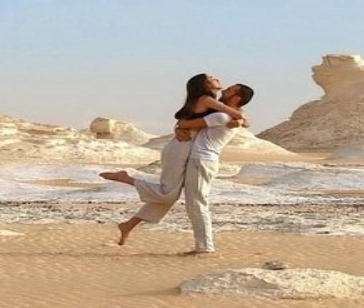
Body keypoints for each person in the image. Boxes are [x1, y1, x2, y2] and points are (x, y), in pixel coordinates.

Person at [101, 82, 254, 253]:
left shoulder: (222, 116)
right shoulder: (224, 114)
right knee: (170, 195)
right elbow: (185, 124)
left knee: (196, 203)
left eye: (230, 90)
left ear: (237, 98)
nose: (224, 90)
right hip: (195, 158)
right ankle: (129, 224)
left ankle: (205, 248)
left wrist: (181, 127)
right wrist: (179, 129)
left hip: (202, 160)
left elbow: (186, 124)